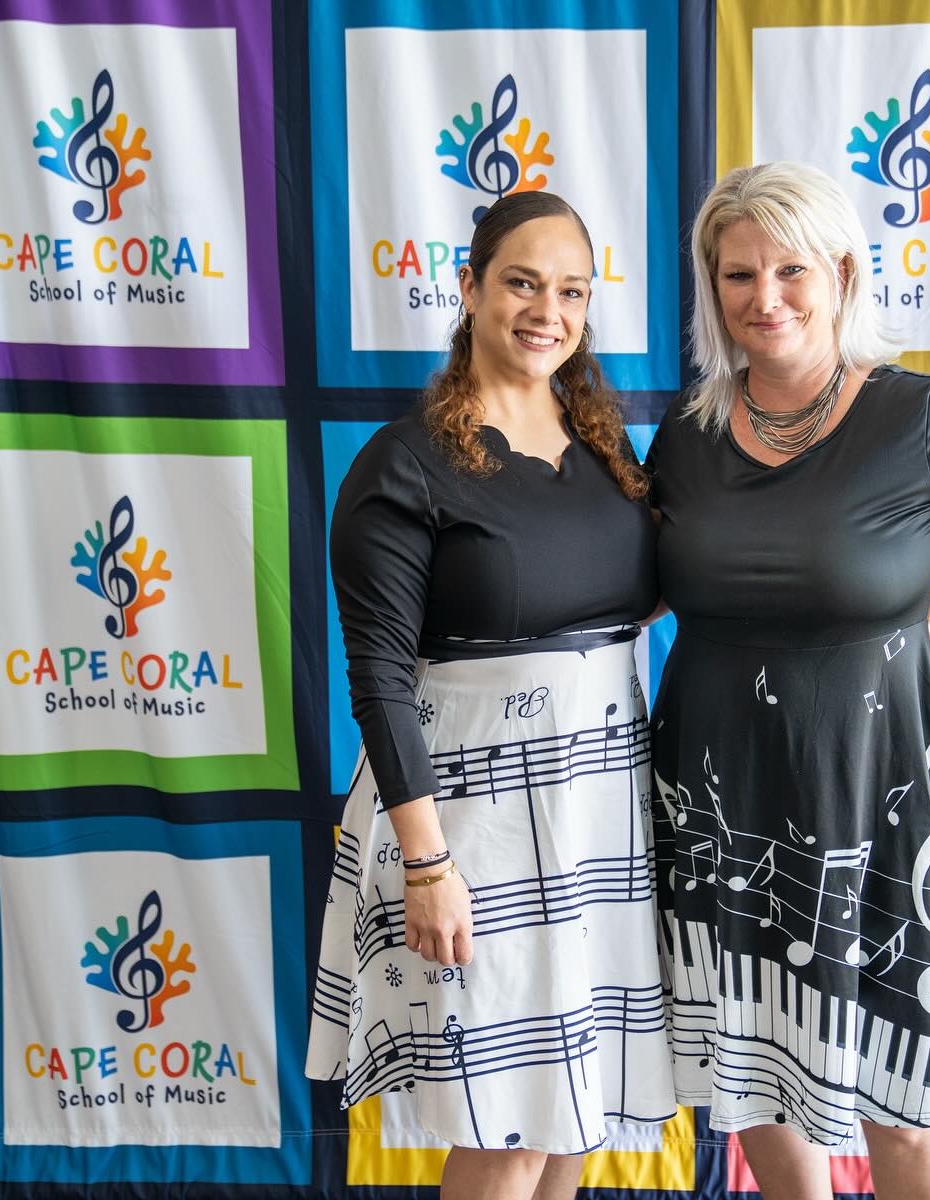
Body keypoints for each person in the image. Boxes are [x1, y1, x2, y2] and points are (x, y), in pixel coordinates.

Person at [645, 162, 930, 1200]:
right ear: (710, 288)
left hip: (877, 794)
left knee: (903, 1096)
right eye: (736, 275)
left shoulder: (923, 417)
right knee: (753, 1073)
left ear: (845, 272)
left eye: (790, 269)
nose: (764, 297)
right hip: (718, 794)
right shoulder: (686, 436)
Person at [306, 191, 676, 1200]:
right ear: (468, 288)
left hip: (600, 806)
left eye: (571, 291)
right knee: (507, 1126)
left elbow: (618, 612)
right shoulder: (404, 463)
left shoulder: (603, 445)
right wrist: (427, 865)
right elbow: (379, 677)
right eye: (521, 281)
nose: (545, 310)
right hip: (471, 825)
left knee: (573, 1118)